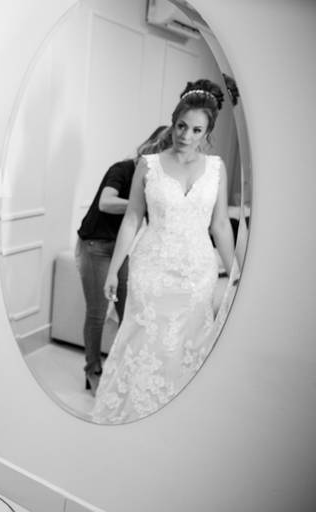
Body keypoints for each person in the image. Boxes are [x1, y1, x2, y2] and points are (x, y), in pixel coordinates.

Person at [91, 79, 237, 424]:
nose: (186, 135)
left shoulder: (216, 168)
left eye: (196, 130)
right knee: (142, 341)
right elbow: (132, 219)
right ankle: (129, 416)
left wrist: (235, 273)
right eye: (181, 126)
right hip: (151, 269)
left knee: (188, 344)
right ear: (173, 122)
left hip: (197, 274)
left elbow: (220, 225)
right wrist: (113, 270)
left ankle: (174, 421)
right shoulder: (149, 164)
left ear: (207, 132)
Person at [75, 125, 171, 395]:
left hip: (120, 250)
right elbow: (106, 202)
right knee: (97, 313)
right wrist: (139, 203)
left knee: (129, 312)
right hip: (94, 246)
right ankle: (93, 370)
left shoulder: (156, 183)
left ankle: (121, 371)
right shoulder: (123, 169)